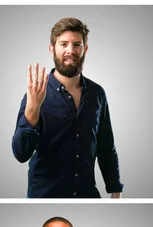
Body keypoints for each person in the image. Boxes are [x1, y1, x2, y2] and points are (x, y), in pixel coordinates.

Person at [12, 17, 123, 198]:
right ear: (52, 49)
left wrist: (115, 190)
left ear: (84, 49)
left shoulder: (97, 93)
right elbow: (20, 153)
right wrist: (33, 108)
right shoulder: (36, 93)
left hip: (87, 196)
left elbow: (106, 147)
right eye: (63, 44)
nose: (70, 51)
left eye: (76, 44)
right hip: (45, 197)